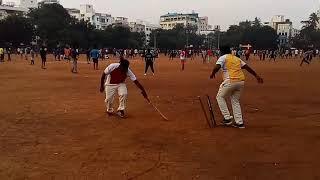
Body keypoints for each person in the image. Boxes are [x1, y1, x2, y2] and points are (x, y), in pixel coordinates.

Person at [209, 45, 264, 128]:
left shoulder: (223, 57)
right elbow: (246, 67)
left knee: (220, 97)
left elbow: (217, 66)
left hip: (231, 80)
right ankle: (239, 122)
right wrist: (256, 75)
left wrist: (213, 73)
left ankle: (227, 118)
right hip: (241, 81)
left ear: (221, 51)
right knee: (235, 101)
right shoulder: (236, 58)